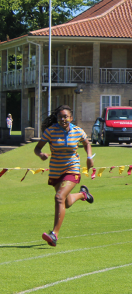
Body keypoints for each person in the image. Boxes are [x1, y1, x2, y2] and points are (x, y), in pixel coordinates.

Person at [34, 105, 95, 247]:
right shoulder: (50, 131)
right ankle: (82, 195)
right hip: (56, 171)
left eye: (66, 116)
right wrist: (40, 154)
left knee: (59, 197)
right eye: (60, 117)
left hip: (72, 169)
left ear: (71, 118)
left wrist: (89, 156)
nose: (63, 119)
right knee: (66, 202)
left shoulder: (77, 131)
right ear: (57, 118)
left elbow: (87, 143)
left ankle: (54, 234)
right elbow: (37, 148)